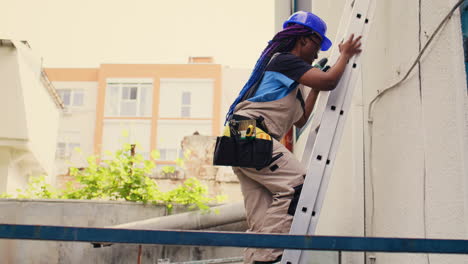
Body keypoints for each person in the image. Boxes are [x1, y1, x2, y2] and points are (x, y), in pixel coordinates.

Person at [224, 11, 362, 264]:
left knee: (262, 217)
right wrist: (345, 55)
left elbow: (301, 119)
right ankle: (269, 259)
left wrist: (314, 90)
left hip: (239, 137)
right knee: (299, 185)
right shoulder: (284, 61)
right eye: (317, 47)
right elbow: (330, 81)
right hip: (248, 133)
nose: (317, 55)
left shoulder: (288, 83)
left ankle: (255, 259)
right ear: (304, 40)